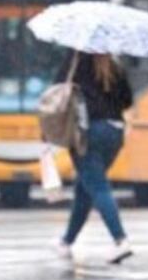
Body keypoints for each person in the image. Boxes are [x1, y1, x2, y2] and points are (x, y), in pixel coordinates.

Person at [55, 51, 134, 264]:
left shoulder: (75, 61)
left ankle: (120, 240)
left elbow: (57, 91)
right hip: (115, 132)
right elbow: (127, 101)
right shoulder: (115, 65)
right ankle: (66, 242)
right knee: (85, 187)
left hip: (87, 132)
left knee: (98, 187)